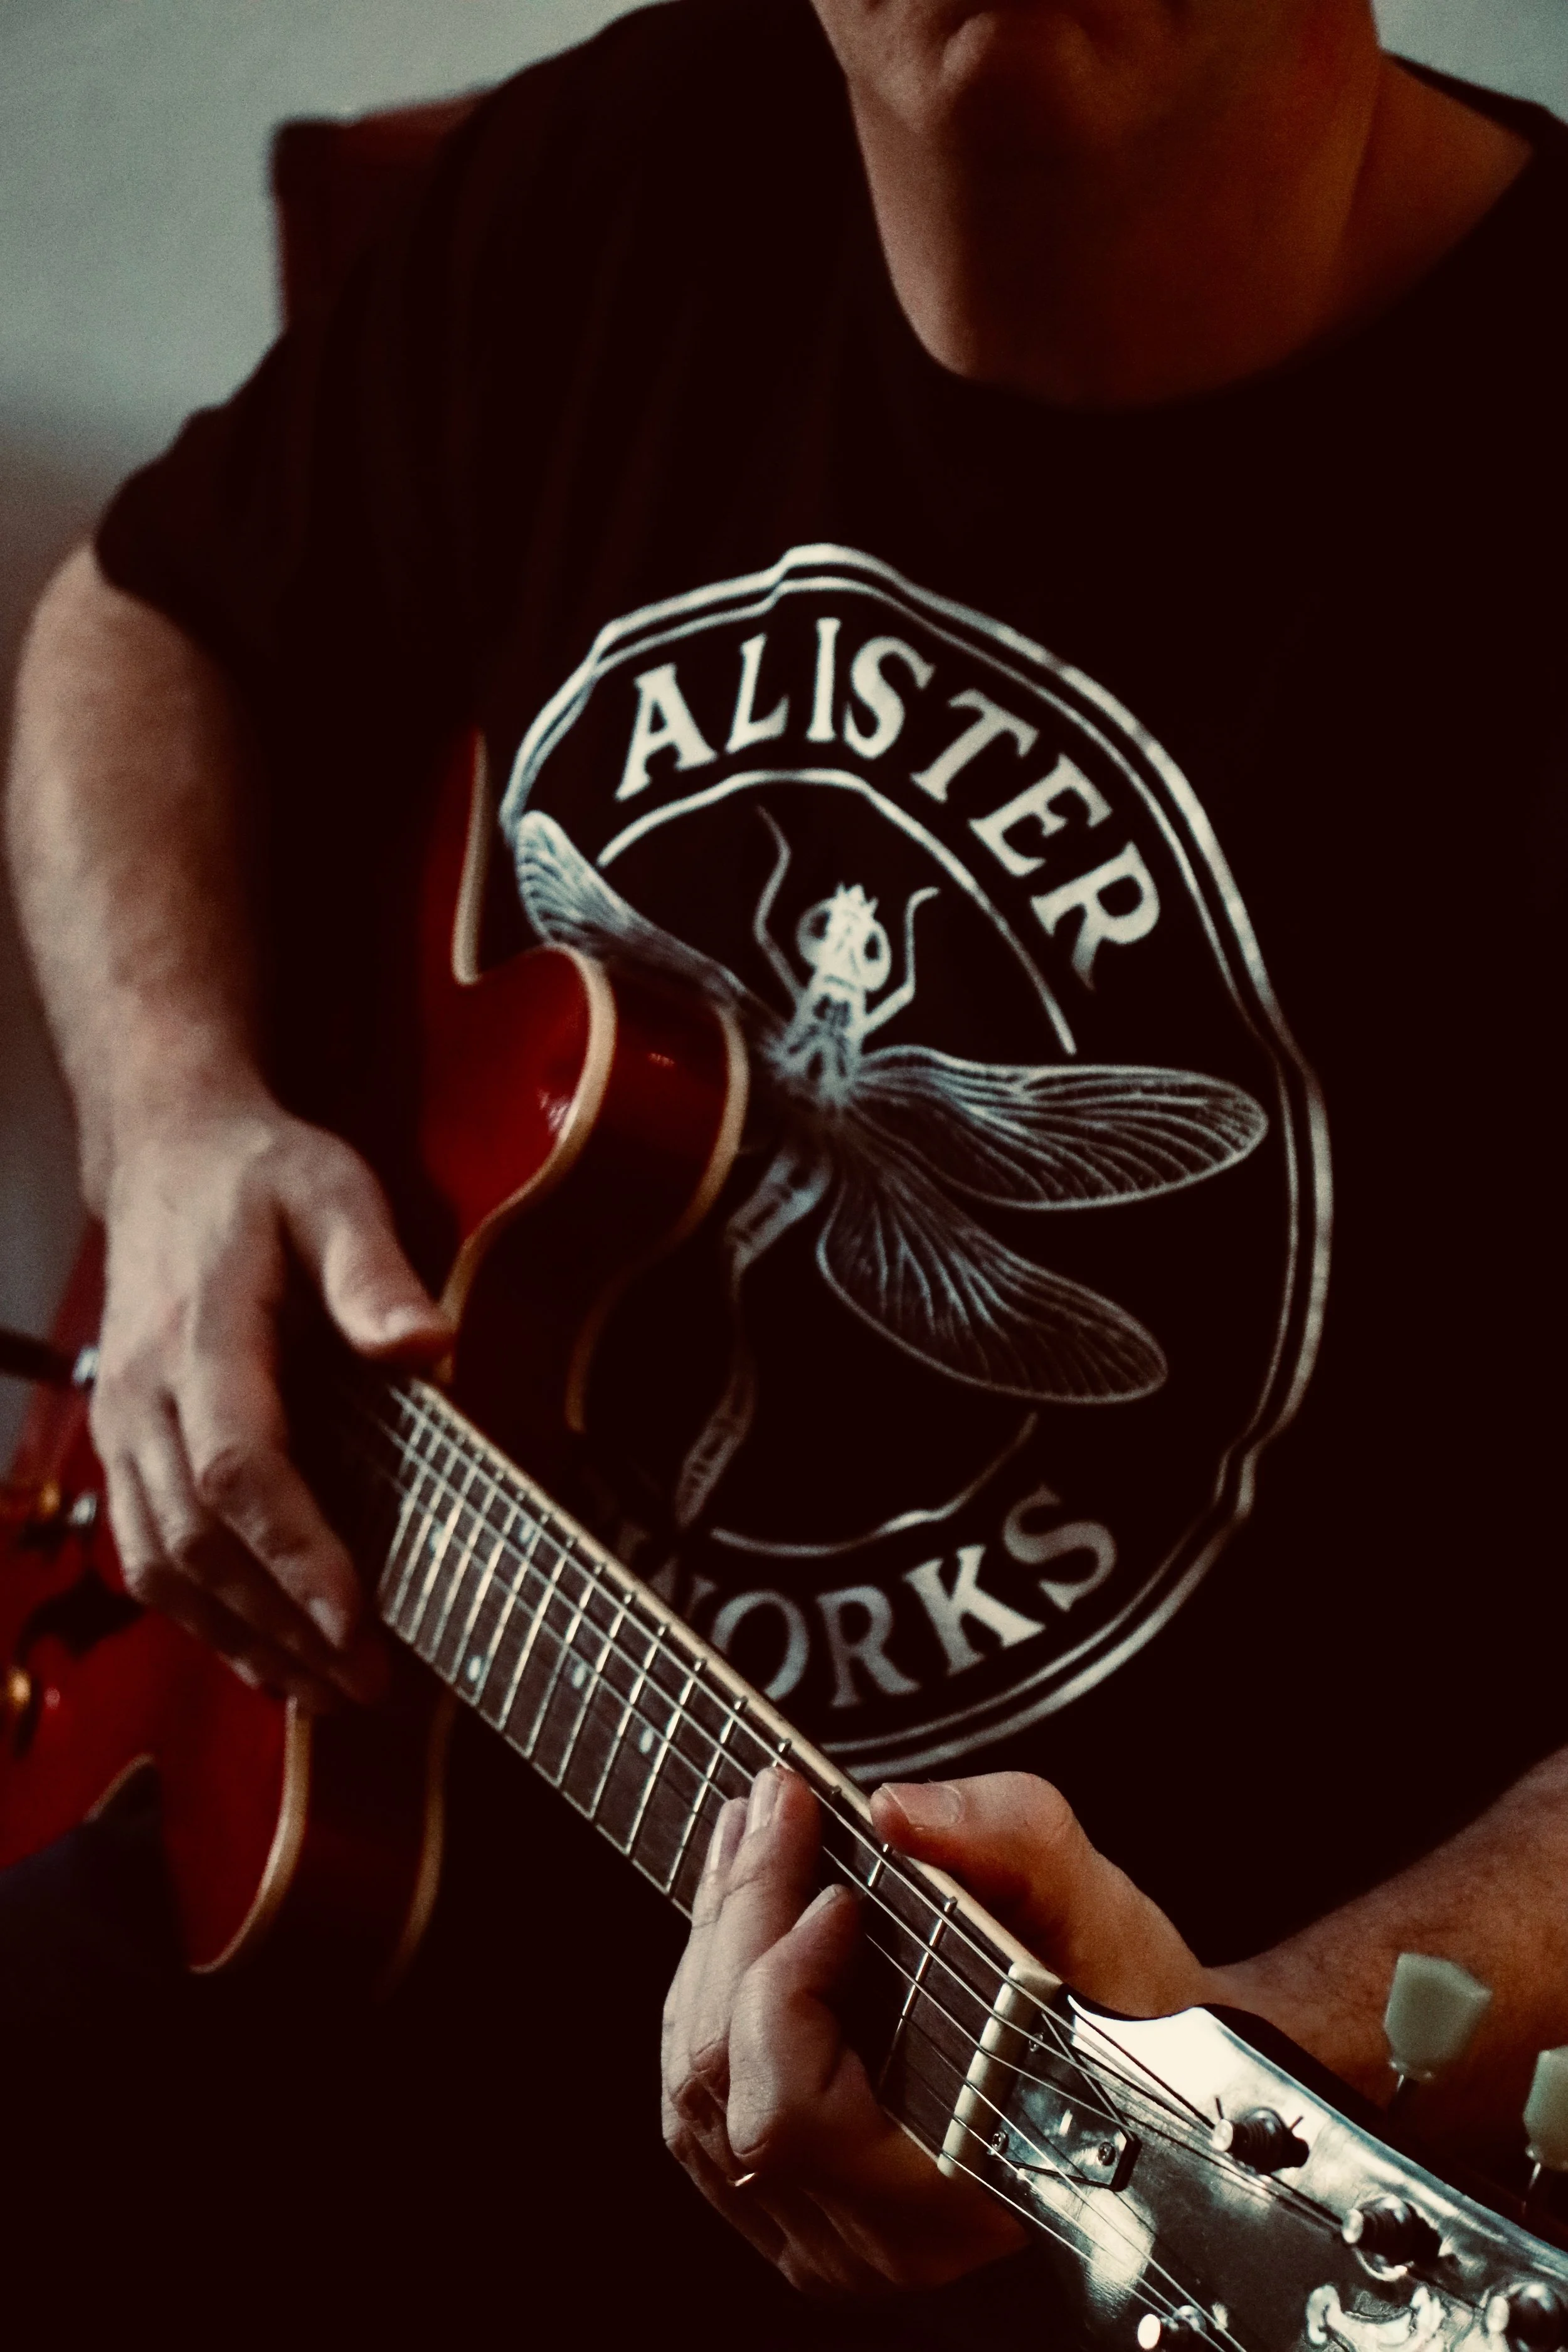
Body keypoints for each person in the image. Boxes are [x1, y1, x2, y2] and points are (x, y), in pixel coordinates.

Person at [5, 0, 1566, 2336]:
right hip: (323, 1816)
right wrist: (181, 1116)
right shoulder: (640, 167)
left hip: (1027, 2128)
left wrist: (1256, 2043)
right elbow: (146, 616)